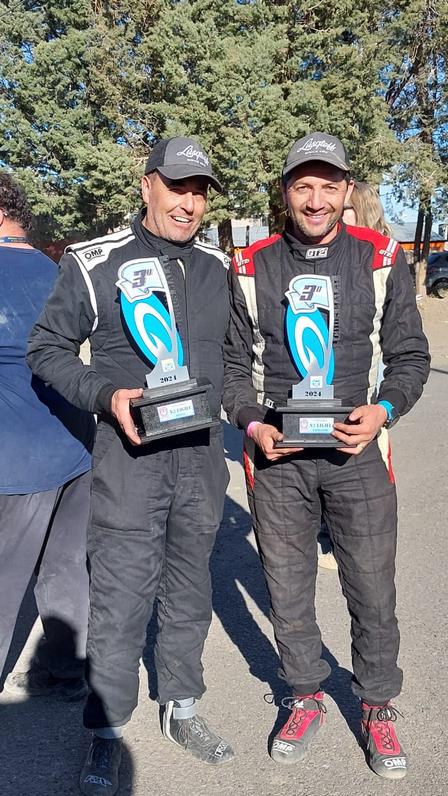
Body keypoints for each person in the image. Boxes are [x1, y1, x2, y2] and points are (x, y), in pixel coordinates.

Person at [27, 136, 234, 796]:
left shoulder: (218, 267)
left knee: (190, 593)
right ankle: (107, 732)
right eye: (177, 187)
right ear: (147, 185)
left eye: (199, 191)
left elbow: (234, 362)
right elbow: (47, 349)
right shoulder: (95, 262)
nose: (189, 203)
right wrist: (105, 395)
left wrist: (258, 418)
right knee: (119, 604)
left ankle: (183, 708)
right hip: (129, 462)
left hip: (201, 463)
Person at [223, 132, 430, 780]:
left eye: (328, 185)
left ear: (347, 190)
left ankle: (376, 704)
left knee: (371, 588)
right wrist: (253, 424)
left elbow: (411, 357)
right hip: (277, 459)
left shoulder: (379, 256)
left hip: (358, 456)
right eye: (303, 186)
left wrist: (384, 410)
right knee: (287, 590)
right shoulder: (250, 265)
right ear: (286, 192)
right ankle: (304, 693)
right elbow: (231, 368)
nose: (316, 199)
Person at [0, 172, 93, 700]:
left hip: (17, 458)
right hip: (77, 445)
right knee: (65, 565)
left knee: (3, 578)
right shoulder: (58, 271)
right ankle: (66, 672)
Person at [318, 180, 393, 571]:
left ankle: (351, 535)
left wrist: (384, 407)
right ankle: (327, 527)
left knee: (363, 453)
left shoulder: (379, 258)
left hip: (365, 386)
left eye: (347, 210)